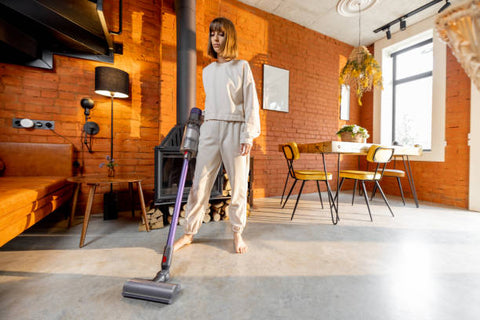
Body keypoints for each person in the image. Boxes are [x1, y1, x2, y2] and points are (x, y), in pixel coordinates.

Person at [173, 17, 261, 254]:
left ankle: (237, 233)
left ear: (228, 37)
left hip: (235, 128)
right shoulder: (208, 70)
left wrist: (248, 135)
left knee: (239, 186)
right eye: (212, 34)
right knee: (199, 184)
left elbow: (251, 102)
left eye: (220, 34)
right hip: (210, 128)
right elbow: (212, 100)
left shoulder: (242, 66)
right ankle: (189, 233)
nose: (216, 39)